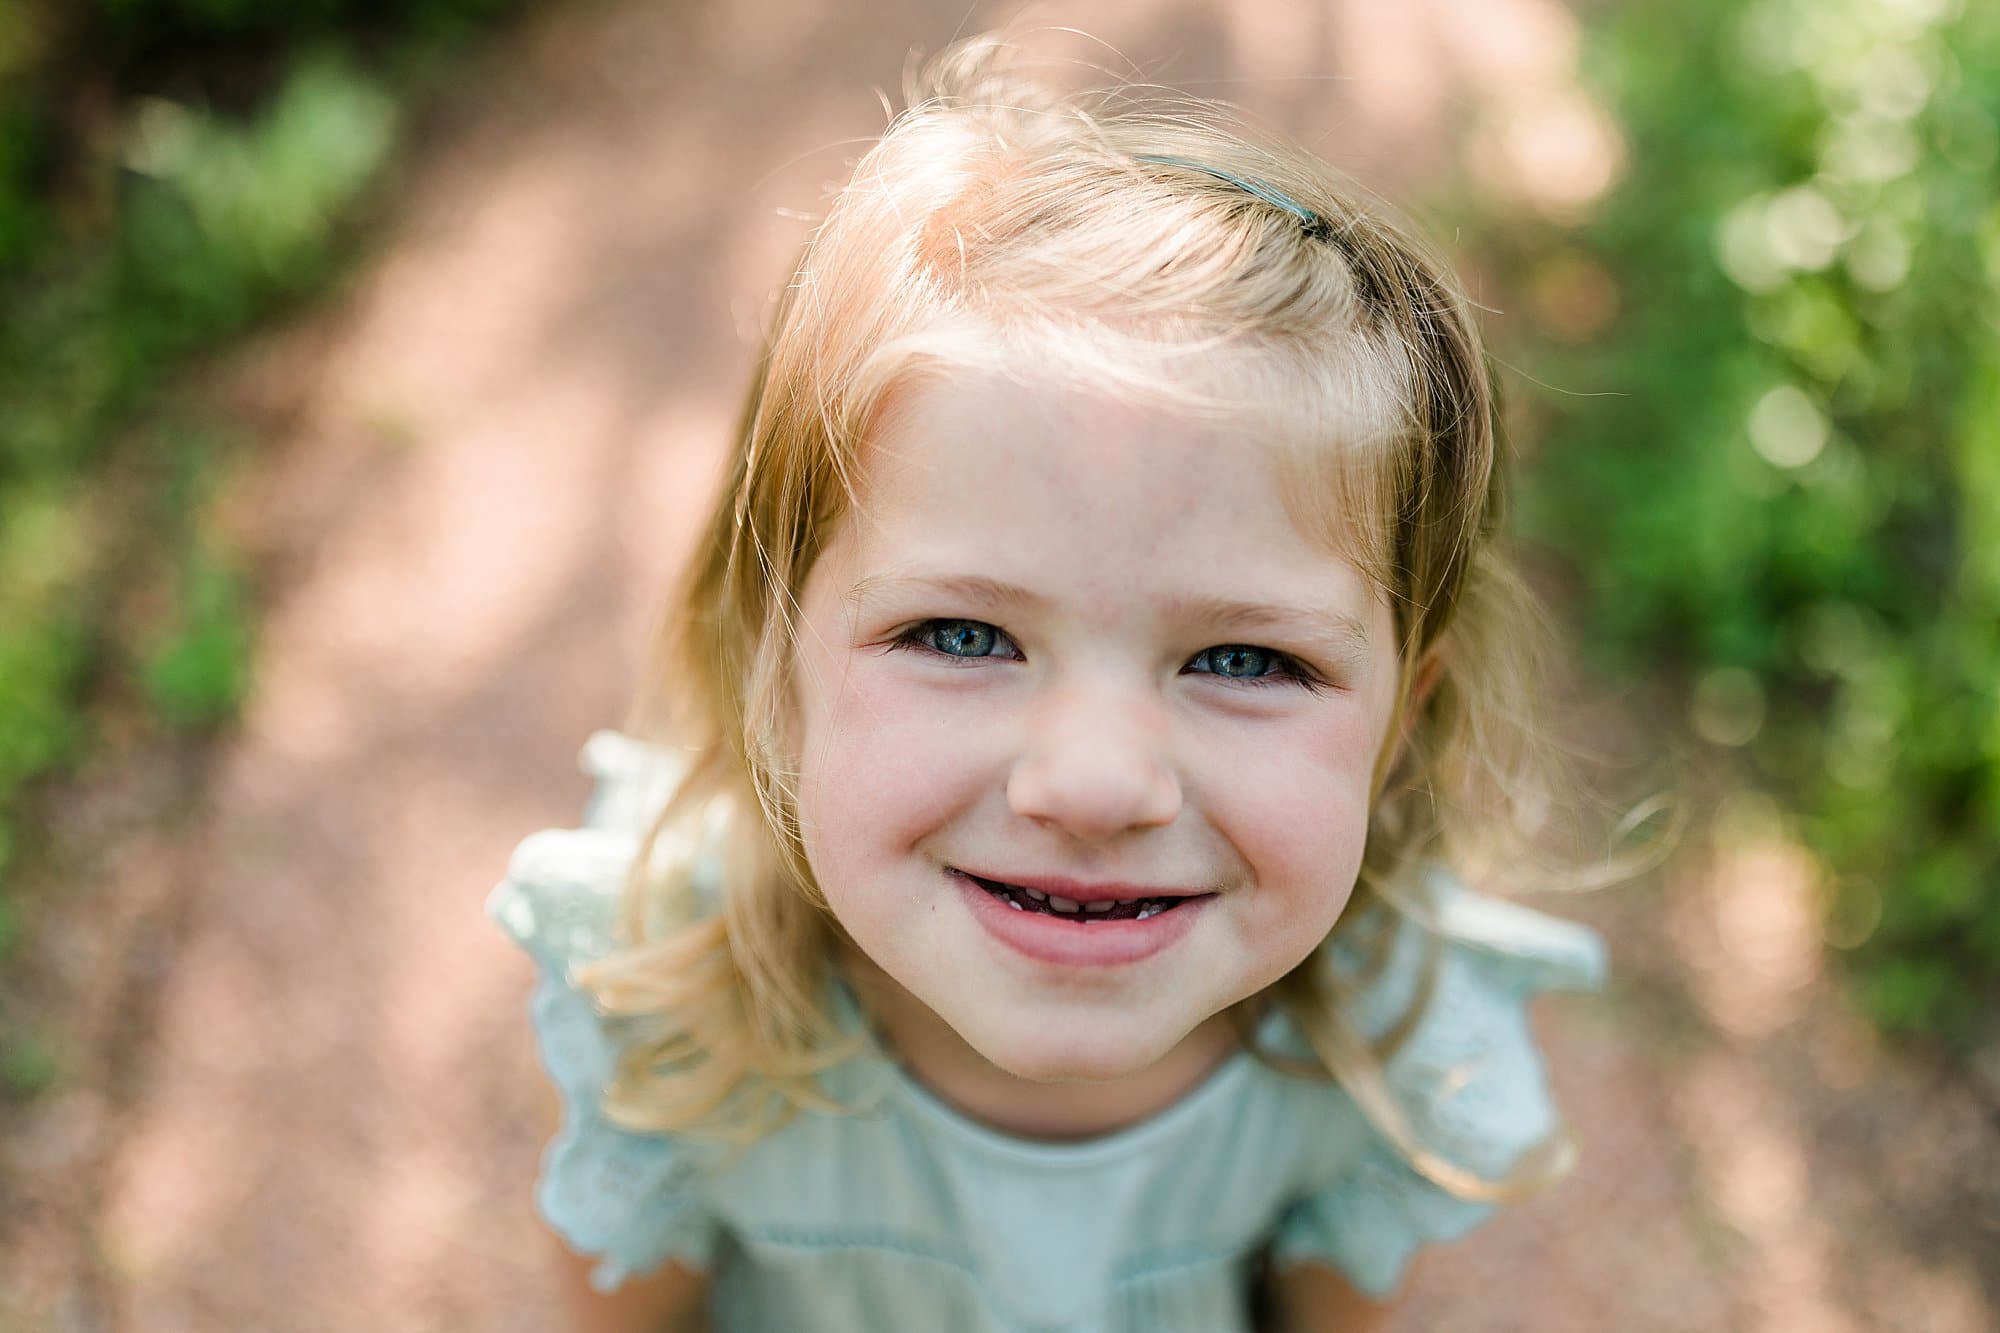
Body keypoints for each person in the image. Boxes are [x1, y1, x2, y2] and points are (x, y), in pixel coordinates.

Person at [488, 36, 1610, 1333]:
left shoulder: (1376, 1035)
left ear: (1398, 726)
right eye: (961, 636)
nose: (1092, 783)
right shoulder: (659, 997)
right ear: (773, 663)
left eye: (1246, 659)